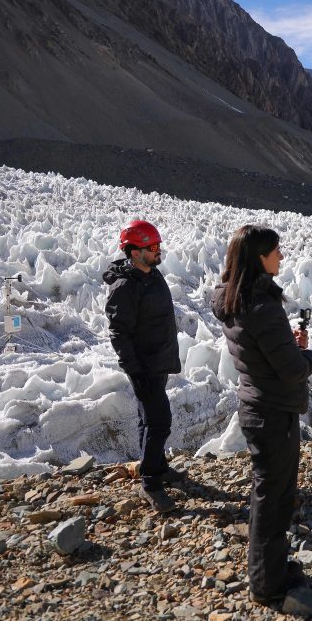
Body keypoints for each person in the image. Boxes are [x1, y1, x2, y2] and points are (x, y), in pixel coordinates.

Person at [211, 225, 312, 606]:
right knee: (274, 498)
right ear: (260, 257)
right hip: (274, 411)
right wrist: (309, 358)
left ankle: (270, 570)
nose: (282, 256)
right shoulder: (263, 305)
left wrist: (286, 345)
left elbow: (261, 351)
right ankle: (267, 583)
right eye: (276, 250)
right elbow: (291, 370)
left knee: (268, 493)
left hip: (256, 404)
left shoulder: (235, 299)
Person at [104, 220, 183, 513]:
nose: (158, 251)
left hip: (157, 362)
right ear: (135, 252)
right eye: (152, 247)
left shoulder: (151, 274)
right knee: (159, 421)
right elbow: (119, 334)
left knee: (147, 419)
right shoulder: (125, 287)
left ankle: (157, 466)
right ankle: (150, 482)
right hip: (144, 367)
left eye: (158, 245)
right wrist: (135, 371)